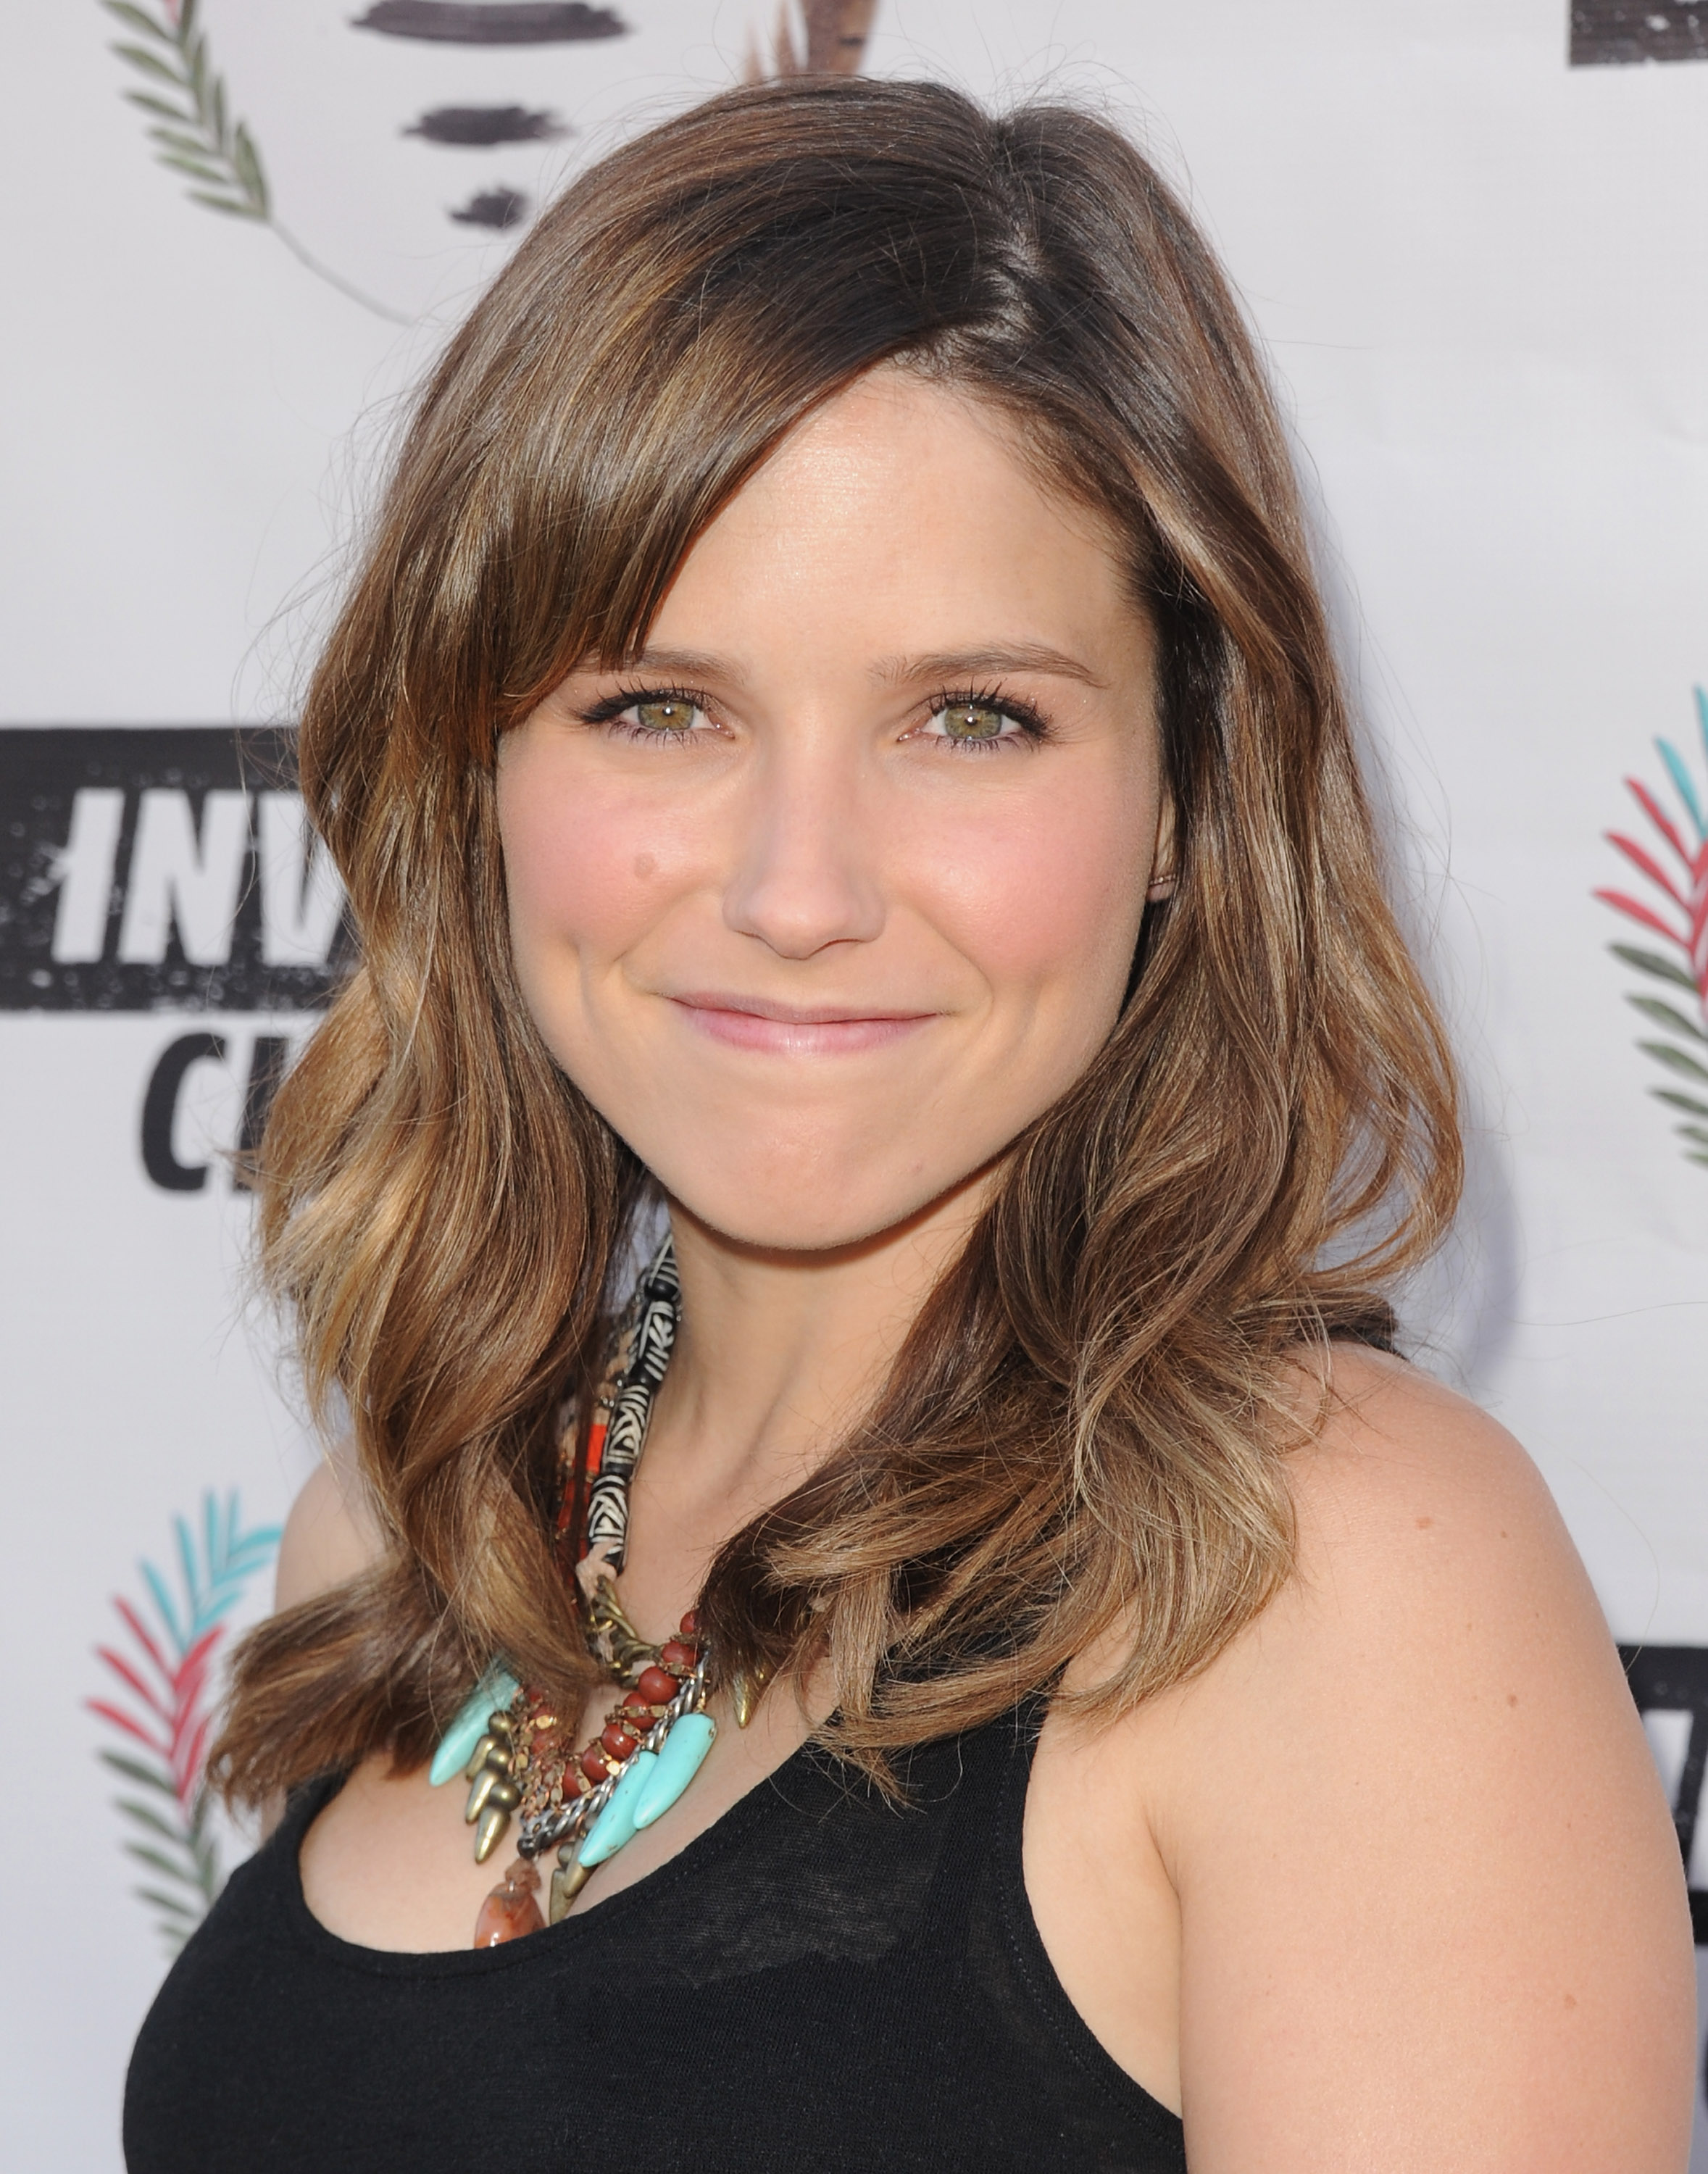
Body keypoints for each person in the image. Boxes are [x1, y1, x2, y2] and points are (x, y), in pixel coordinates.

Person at [123, 73, 1694, 2173]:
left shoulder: (1326, 1575)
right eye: (656, 707)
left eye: (971, 719)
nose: (798, 890)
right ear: (479, 774)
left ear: (1186, 799)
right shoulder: (413, 1534)